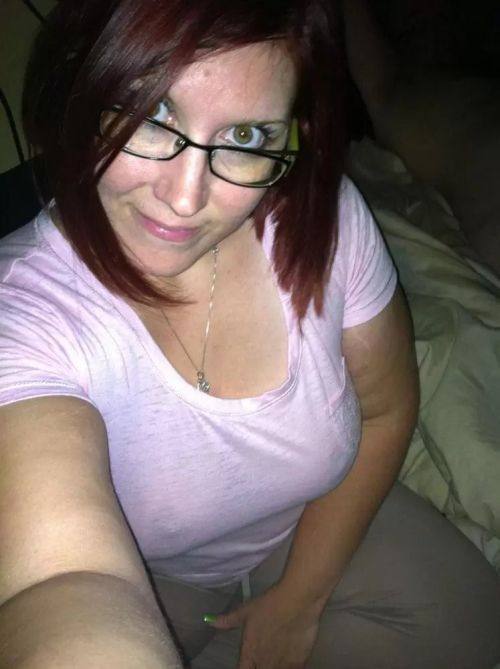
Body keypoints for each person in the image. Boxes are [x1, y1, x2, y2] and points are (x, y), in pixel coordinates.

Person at [0, 1, 499, 667]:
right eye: (151, 115)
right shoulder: (21, 313)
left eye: (244, 137)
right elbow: (61, 583)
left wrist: (300, 598)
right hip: (158, 582)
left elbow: (385, 408)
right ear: (76, 91)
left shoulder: (317, 220)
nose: (185, 197)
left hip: (309, 520)